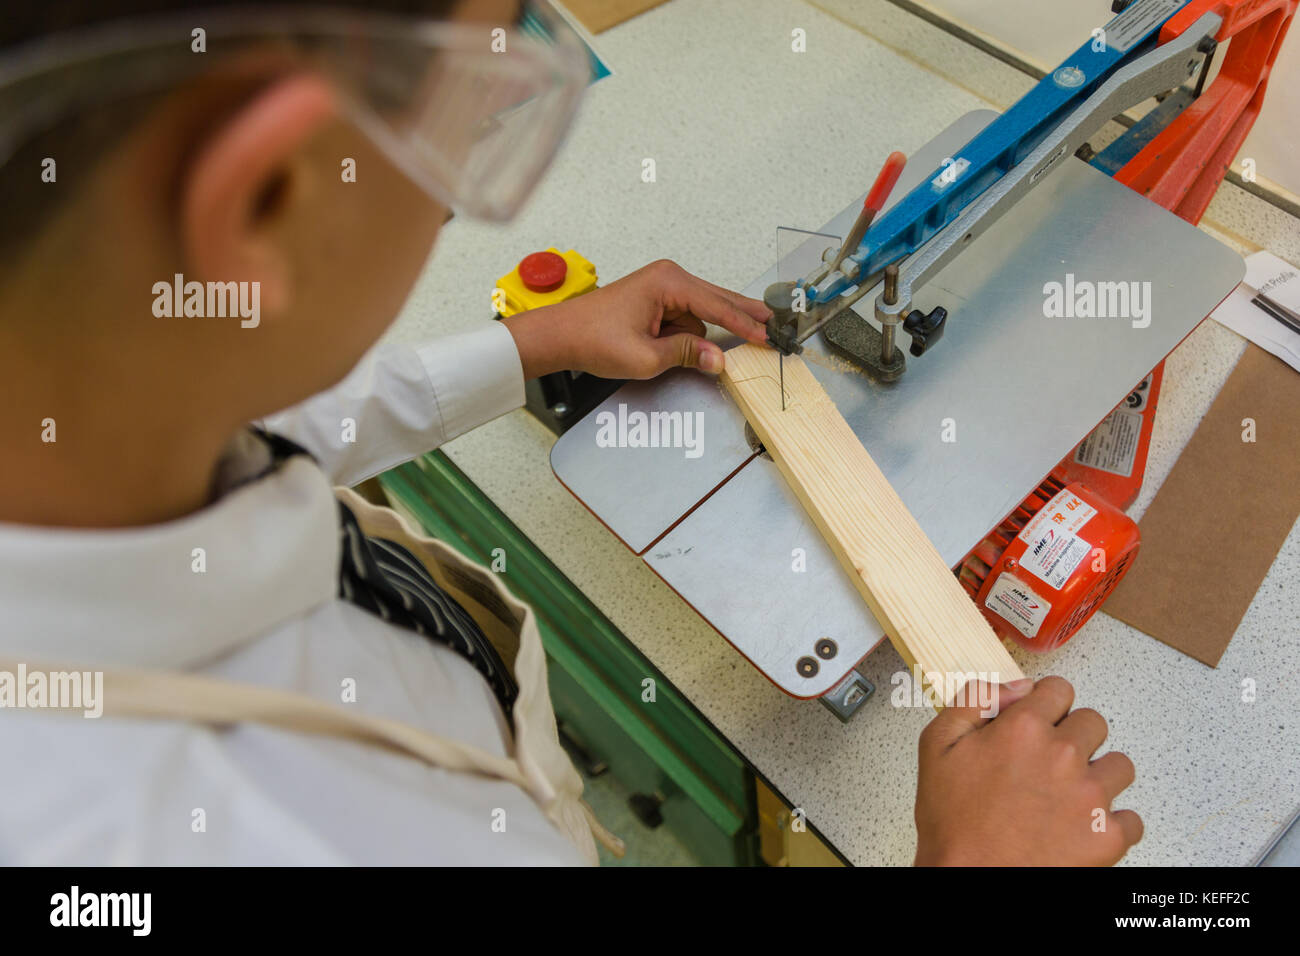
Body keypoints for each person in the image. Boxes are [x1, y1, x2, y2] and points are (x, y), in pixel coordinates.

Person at [0, 0, 1140, 865]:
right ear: (260, 199)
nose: (457, 187)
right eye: (476, 102)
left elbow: (263, 414)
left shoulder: (102, 416)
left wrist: (530, 346)